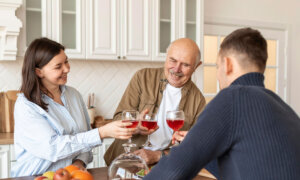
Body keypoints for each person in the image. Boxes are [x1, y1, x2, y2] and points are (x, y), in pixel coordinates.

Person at [144, 27, 300, 180]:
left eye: (218, 66)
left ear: (228, 64)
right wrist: (198, 142)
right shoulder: (285, 109)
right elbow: (238, 167)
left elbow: (174, 169)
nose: (218, 76)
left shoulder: (232, 97)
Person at [11, 38, 136, 177]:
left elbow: (84, 140)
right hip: (35, 177)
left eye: (66, 61)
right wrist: (100, 133)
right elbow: (52, 148)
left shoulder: (74, 95)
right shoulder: (26, 105)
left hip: (71, 176)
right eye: (58, 66)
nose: (67, 69)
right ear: (39, 72)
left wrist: (79, 163)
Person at [104, 38, 206, 166]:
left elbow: (196, 147)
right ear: (166, 57)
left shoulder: (198, 101)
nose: (176, 69)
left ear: (197, 66)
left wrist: (159, 155)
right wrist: (135, 127)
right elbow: (117, 120)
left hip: (164, 166)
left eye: (185, 64)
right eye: (173, 60)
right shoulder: (143, 77)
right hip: (126, 162)